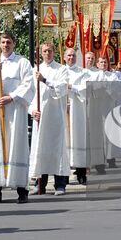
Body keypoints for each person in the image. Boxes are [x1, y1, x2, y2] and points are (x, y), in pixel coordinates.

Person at [0, 31, 33, 204]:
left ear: (14, 43)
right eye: (3, 42)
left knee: (15, 146)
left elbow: (28, 85)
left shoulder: (22, 63)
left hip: (15, 110)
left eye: (8, 42)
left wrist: (12, 97)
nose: (5, 45)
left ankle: (21, 190)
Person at [29, 41, 71, 195]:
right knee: (41, 149)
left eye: (50, 51)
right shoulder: (35, 70)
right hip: (40, 116)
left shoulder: (61, 69)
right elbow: (30, 94)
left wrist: (45, 80)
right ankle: (40, 184)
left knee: (56, 149)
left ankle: (60, 184)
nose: (47, 54)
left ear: (54, 52)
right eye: (45, 51)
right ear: (41, 53)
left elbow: (62, 88)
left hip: (55, 116)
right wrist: (32, 110)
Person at [63, 45, 92, 184]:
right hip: (63, 109)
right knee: (64, 141)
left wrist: (72, 87)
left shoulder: (83, 72)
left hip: (78, 110)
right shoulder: (60, 71)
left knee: (78, 140)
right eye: (68, 55)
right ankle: (63, 176)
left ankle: (81, 174)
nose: (71, 58)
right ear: (64, 57)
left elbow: (87, 87)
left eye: (73, 55)